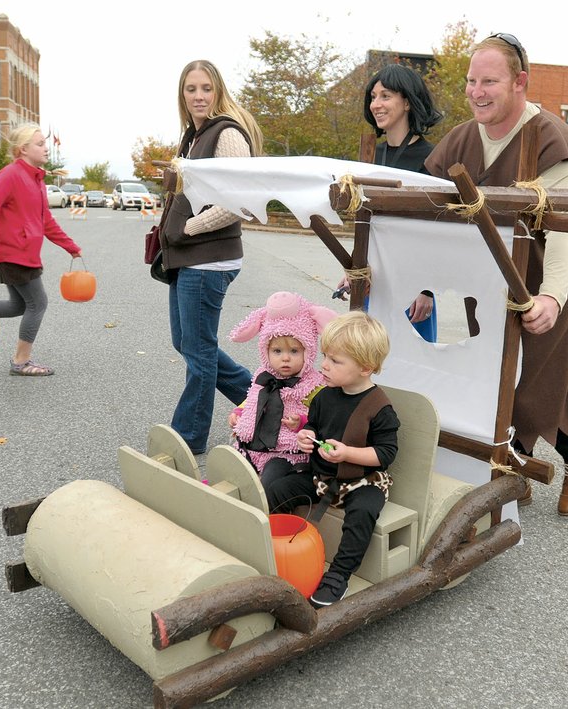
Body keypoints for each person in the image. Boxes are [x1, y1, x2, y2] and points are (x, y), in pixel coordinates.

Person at [424, 33, 568, 516]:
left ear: (520, 81)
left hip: (550, 276)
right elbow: (431, 221)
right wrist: (424, 286)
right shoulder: (459, 141)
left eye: (490, 81)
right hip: (495, 273)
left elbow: (563, 234)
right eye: (471, 81)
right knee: (498, 370)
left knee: (541, 376)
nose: (477, 91)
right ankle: (517, 461)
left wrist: (552, 299)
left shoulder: (552, 140)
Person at [160, 59, 264, 454]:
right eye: (191, 89)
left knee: (198, 350)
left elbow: (241, 202)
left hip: (209, 259)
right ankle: (262, 402)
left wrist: (188, 228)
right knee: (186, 343)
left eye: (206, 88)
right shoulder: (193, 135)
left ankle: (188, 439)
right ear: (182, 95)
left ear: (218, 91)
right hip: (190, 258)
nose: (199, 96)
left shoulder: (227, 134)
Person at [265, 311, 400, 607]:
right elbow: (314, 424)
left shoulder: (380, 408)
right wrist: (306, 435)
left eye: (335, 361)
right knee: (278, 489)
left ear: (365, 368)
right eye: (325, 356)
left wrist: (348, 453)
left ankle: (338, 575)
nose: (323, 365)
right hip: (322, 478)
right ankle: (267, 545)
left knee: (363, 513)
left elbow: (386, 454)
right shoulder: (325, 396)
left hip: (363, 480)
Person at [344, 64, 443, 341]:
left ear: (408, 102)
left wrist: (427, 289)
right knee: (363, 370)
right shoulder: (369, 155)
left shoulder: (433, 158)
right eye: (373, 97)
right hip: (371, 282)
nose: (376, 104)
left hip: (413, 289)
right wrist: (354, 268)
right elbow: (367, 223)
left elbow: (439, 230)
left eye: (385, 96)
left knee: (410, 375)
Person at [0, 123, 82, 376]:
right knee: (38, 303)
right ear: (23, 149)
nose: (46, 149)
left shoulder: (36, 179)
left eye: (45, 143)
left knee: (18, 306)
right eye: (40, 144)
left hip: (26, 253)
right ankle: (21, 361)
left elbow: (45, 221)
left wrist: (70, 246)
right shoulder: (10, 175)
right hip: (13, 252)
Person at [228, 292, 336, 491]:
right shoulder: (263, 375)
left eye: (294, 351)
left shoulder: (312, 384)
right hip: (252, 446)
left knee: (269, 483)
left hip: (286, 452)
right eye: (277, 351)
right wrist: (239, 412)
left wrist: (301, 423)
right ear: (265, 351)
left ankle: (266, 513)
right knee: (232, 471)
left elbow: (323, 417)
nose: (285, 359)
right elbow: (252, 399)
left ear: (309, 350)